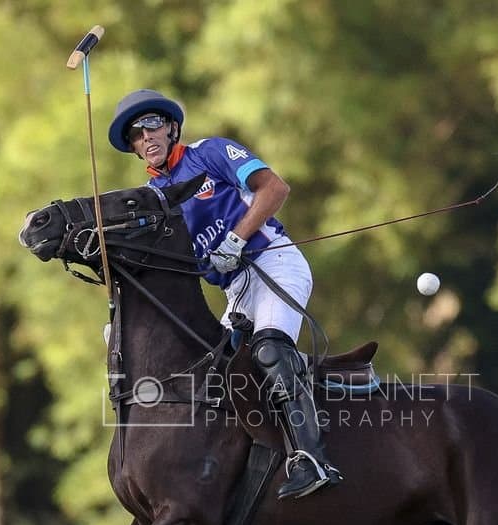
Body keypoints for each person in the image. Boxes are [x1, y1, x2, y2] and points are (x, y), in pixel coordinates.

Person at [108, 89, 342, 500]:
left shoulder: (210, 153)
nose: (145, 137)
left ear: (171, 127)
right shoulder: (155, 199)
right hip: (237, 289)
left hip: (273, 262)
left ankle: (311, 457)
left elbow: (275, 189)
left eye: (151, 125)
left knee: (269, 350)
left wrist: (236, 238)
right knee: (212, 376)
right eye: (134, 134)